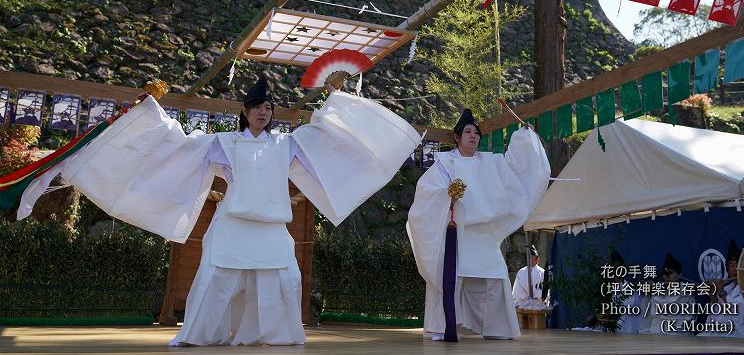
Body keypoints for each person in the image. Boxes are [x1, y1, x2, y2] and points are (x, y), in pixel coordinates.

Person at [18, 75, 421, 346]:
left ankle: (282, 338)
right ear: (245, 111)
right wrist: (151, 115)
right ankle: (198, 335)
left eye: (269, 108)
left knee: (283, 279)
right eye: (257, 107)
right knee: (215, 279)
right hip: (232, 222)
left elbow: (329, 137)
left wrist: (337, 99)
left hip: (270, 227)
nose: (264, 112)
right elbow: (175, 145)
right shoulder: (224, 143)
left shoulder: (287, 145)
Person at [406, 108, 551, 341]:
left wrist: (526, 139)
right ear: (457, 136)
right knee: (453, 280)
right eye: (468, 132)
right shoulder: (444, 162)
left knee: (495, 277)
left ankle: (497, 328)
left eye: (476, 133)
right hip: (456, 233)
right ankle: (446, 327)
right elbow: (426, 193)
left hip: (484, 235)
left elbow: (516, 167)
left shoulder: (491, 162)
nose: (473, 136)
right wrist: (447, 196)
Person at [700, 239, 744, 339]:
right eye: (731, 265)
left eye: (737, 265)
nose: (734, 269)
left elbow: (739, 311)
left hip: (740, 333)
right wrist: (713, 293)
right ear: (727, 269)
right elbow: (716, 313)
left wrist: (721, 292)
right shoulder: (727, 288)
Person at [640, 252, 695, 335]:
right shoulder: (658, 292)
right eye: (665, 274)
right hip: (657, 334)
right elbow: (647, 313)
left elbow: (687, 320)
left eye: (671, 273)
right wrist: (648, 294)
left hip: (678, 336)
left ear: (680, 275)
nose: (667, 276)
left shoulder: (687, 295)